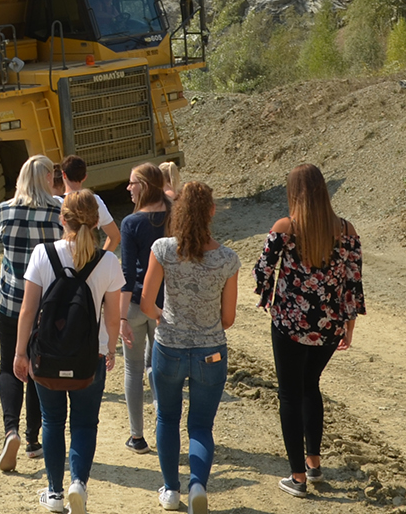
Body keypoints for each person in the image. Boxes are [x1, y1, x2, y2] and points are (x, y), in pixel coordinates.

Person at [252, 164, 364, 499]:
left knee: (289, 393)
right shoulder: (347, 229)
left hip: (289, 324)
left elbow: (262, 269)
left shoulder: (286, 227)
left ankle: (297, 477)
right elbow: (353, 284)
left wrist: (268, 299)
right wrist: (349, 326)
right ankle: (313, 462)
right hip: (329, 327)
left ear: (294, 193)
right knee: (310, 386)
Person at [13, 190, 125, 514]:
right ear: (96, 220)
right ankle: (79, 483)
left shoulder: (42, 254)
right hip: (91, 355)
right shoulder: (108, 261)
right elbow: (114, 314)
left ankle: (54, 492)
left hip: (47, 356)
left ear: (63, 219)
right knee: (85, 423)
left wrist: (20, 353)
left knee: (51, 420)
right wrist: (111, 350)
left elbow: (27, 309)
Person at [139, 181, 238, 514]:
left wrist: (163, 319)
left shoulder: (164, 249)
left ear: (177, 211)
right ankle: (198, 484)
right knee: (200, 425)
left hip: (169, 347)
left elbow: (146, 302)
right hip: (211, 351)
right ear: (212, 211)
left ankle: (170, 489)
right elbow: (228, 318)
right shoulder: (227, 259)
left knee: (167, 418)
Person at [0, 156, 64, 472]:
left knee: (10, 364)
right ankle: (34, 440)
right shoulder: (58, 211)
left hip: (10, 301)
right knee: (37, 368)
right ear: (48, 177)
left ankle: (11, 430)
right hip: (47, 304)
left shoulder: (4, 210)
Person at [118, 163, 173, 456]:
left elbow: (127, 274)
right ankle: (166, 429)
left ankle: (137, 436)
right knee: (162, 372)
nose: (128, 188)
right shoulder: (174, 216)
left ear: (145, 186)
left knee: (133, 368)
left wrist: (122, 317)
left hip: (139, 305)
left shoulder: (131, 223)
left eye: (132, 183)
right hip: (168, 307)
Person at [55, 155, 121, 253]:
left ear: (63, 174)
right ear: (85, 177)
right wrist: (101, 260)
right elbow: (115, 236)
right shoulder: (95, 200)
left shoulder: (55, 202)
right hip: (90, 259)